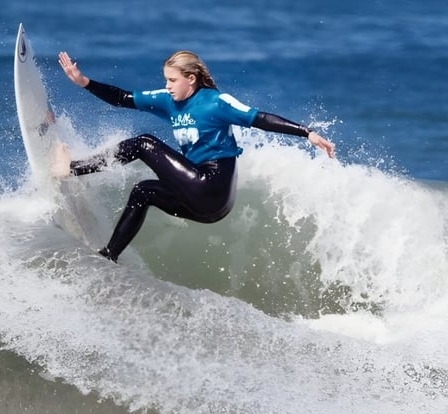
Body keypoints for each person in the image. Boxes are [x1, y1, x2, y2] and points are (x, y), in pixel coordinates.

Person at [55, 50, 335, 262]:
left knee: (144, 143)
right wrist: (84, 82)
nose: (167, 85)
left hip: (212, 188)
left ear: (191, 79)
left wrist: (306, 132)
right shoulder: (168, 100)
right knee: (143, 191)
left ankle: (71, 168)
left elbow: (258, 118)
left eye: (172, 80)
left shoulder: (216, 102)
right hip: (202, 205)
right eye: (166, 79)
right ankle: (109, 256)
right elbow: (123, 98)